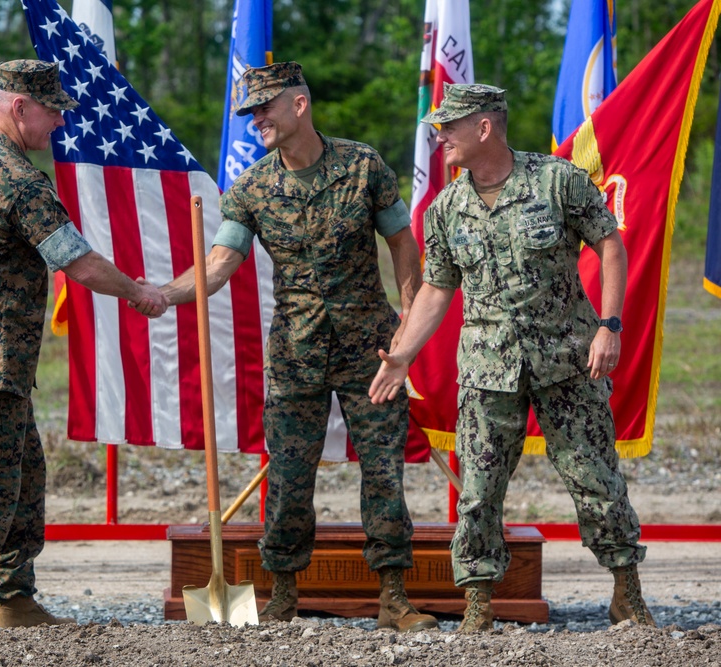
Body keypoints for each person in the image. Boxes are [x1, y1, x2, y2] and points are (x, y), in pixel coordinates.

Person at [135, 62, 436, 632]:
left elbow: (402, 240)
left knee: (383, 473)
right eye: (249, 114)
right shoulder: (251, 188)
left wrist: (408, 323)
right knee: (290, 476)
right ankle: (284, 595)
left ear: (299, 106)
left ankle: (394, 597)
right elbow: (221, 262)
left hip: (371, 352)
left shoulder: (362, 165)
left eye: (264, 110)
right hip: (296, 354)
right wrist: (166, 293)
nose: (255, 123)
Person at [369, 83, 655, 633]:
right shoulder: (447, 207)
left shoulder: (557, 181)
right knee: (477, 490)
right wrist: (402, 354)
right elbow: (436, 289)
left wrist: (609, 326)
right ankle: (479, 606)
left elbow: (610, 244)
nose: (440, 136)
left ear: (484, 127)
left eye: (450, 127)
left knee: (596, 479)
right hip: (487, 369)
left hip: (569, 361)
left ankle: (627, 593)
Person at [0, 59, 167, 632]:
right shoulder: (17, 179)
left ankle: (15, 596)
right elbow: (74, 260)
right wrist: (138, 292)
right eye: (52, 110)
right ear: (20, 107)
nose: (59, 122)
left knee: (24, 473)